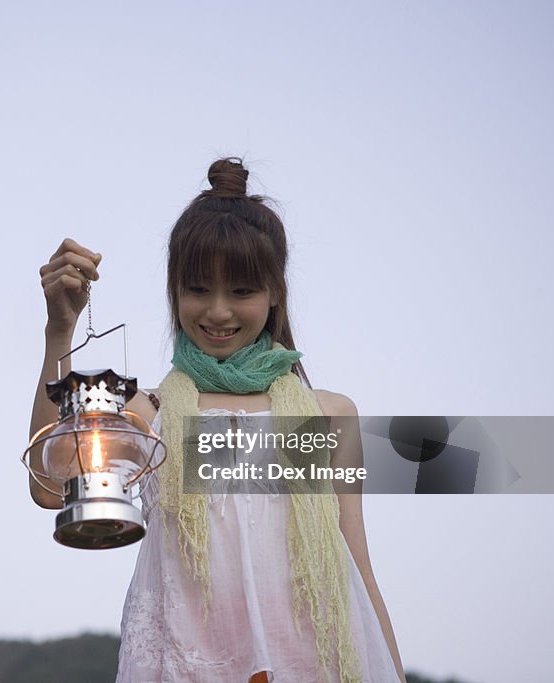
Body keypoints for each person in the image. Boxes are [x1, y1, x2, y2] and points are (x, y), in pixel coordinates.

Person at [29, 157, 407, 683]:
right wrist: (60, 331)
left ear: (275, 292)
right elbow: (51, 487)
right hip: (186, 665)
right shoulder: (145, 412)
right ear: (175, 291)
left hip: (316, 664)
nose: (219, 312)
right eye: (199, 289)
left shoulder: (327, 414)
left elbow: (359, 571)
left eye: (243, 291)